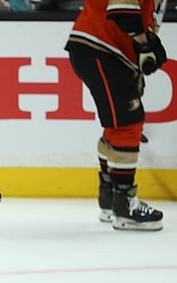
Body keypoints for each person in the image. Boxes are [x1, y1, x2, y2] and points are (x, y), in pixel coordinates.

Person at [64, 0, 167, 231]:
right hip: (101, 48)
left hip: (101, 49)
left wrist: (141, 54)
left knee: (117, 125)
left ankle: (110, 198)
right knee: (128, 124)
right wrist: (145, 43)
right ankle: (124, 204)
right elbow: (123, 11)